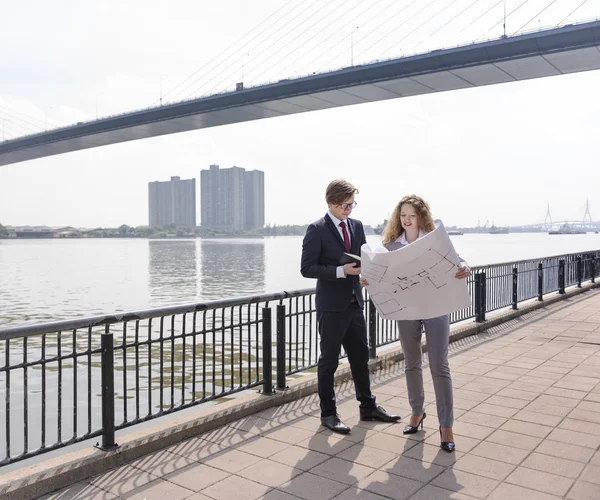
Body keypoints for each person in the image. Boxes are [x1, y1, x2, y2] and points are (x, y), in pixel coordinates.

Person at [360, 195, 470, 452]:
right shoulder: (390, 246)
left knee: (439, 365)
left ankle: (446, 426)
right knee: (411, 363)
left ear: (421, 216)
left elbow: (459, 261)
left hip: (436, 308)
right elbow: (379, 274)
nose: (407, 220)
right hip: (406, 310)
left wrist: (465, 266)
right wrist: (368, 279)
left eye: (412, 215)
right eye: (402, 216)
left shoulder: (433, 240)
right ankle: (417, 413)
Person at [301, 179, 400, 434]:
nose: (349, 209)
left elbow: (362, 258)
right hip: (331, 307)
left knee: (360, 358)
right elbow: (307, 268)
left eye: (352, 204)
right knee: (329, 362)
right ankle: (329, 414)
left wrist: (369, 270)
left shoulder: (356, 226)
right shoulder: (316, 229)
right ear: (331, 203)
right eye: (345, 205)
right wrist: (340, 270)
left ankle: (368, 407)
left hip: (355, 302)